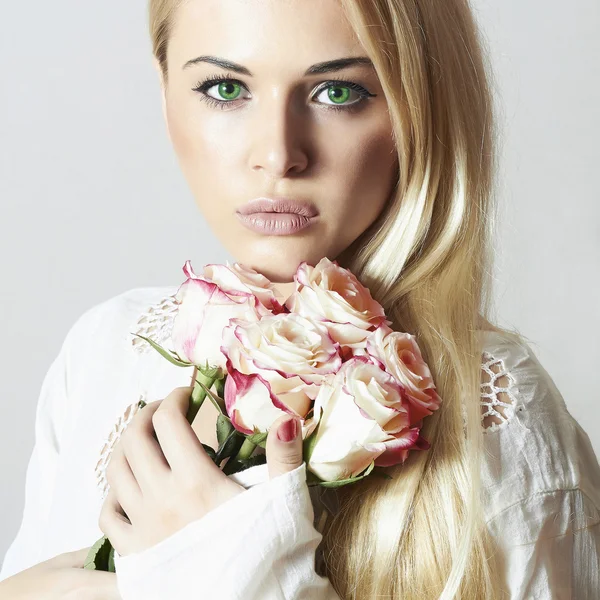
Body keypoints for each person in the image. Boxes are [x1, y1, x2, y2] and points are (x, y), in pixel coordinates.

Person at [1, 0, 599, 598]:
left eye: (338, 93)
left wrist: (231, 569)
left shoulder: (495, 413)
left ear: (422, 110)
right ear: (165, 96)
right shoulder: (105, 347)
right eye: (225, 87)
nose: (278, 154)